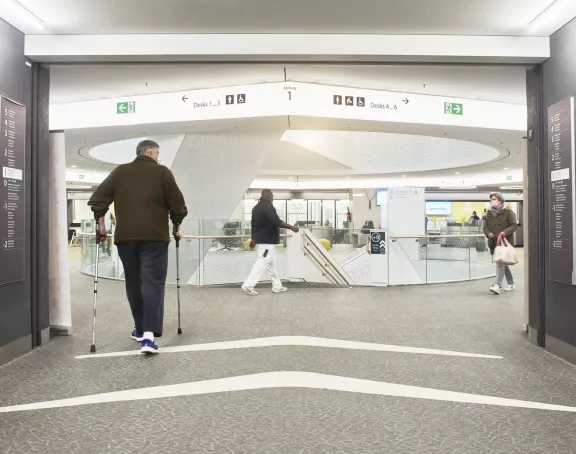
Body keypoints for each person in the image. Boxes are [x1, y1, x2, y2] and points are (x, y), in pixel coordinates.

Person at [88, 140, 188, 354]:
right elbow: (177, 205)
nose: (158, 157)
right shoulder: (163, 172)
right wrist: (177, 226)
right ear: (151, 152)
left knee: (133, 282)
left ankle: (140, 329)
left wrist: (101, 226)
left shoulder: (120, 172)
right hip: (155, 239)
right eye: (158, 153)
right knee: (152, 283)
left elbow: (98, 200)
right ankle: (149, 337)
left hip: (126, 239)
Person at [241, 189, 299, 295]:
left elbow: (254, 225)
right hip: (266, 242)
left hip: (263, 241)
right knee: (262, 263)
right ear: (267, 196)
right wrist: (291, 227)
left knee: (272, 265)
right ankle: (248, 285)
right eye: (271, 195)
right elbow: (277, 221)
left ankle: (277, 286)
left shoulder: (256, 208)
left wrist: (253, 238)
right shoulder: (268, 207)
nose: (272, 197)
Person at [483, 192, 517, 295]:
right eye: (491, 199)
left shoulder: (508, 212)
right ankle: (511, 283)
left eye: (494, 199)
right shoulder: (489, 214)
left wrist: (504, 232)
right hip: (494, 242)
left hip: (504, 242)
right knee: (502, 262)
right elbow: (485, 227)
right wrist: (488, 233)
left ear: (500, 201)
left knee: (500, 263)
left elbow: (514, 225)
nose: (492, 201)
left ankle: (497, 285)